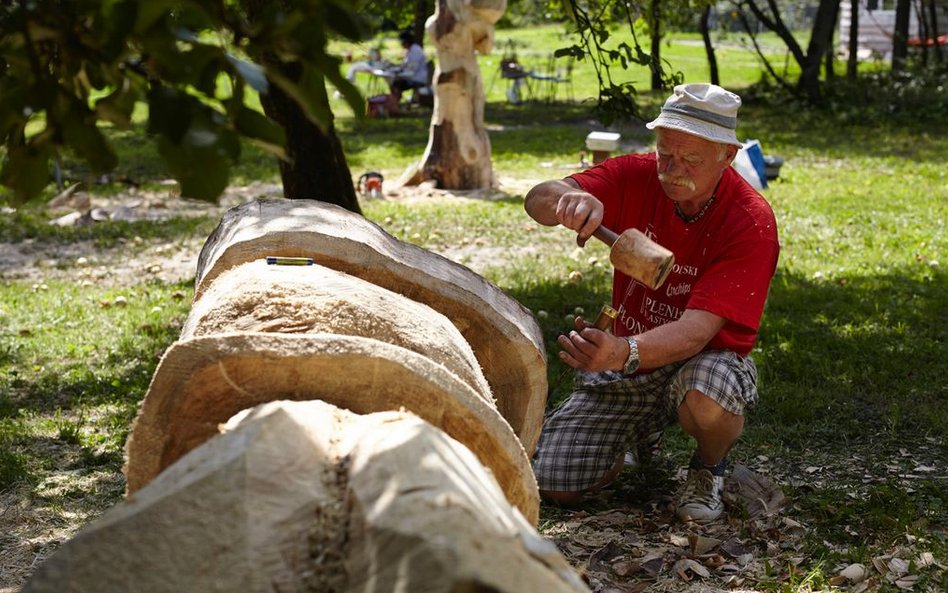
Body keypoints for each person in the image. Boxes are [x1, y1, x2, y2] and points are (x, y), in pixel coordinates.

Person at [524, 83, 780, 523]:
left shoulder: (750, 221)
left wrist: (622, 352)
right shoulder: (636, 175)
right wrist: (569, 198)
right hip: (630, 361)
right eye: (666, 153)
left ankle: (708, 467)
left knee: (707, 392)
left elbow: (697, 331)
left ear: (728, 155)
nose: (673, 169)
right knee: (552, 482)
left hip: (704, 360)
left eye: (692, 159)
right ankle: (638, 433)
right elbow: (536, 199)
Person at [388, 31, 429, 102]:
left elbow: (412, 70)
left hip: (417, 78)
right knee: (395, 83)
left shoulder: (415, 51)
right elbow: (406, 65)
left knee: (396, 84)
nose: (401, 44)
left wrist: (399, 74)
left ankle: (395, 102)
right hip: (412, 76)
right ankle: (395, 101)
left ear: (406, 42)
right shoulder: (410, 50)